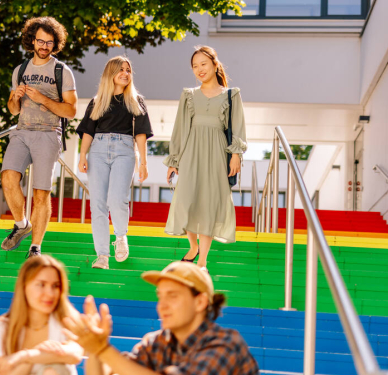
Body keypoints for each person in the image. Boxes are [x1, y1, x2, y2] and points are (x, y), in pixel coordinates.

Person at [63, 261, 259, 375]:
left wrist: (102, 349)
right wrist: (96, 348)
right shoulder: (156, 342)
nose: (161, 305)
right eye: (160, 296)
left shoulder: (227, 344)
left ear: (200, 303)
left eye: (172, 295)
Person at [163, 45, 247, 274]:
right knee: (187, 198)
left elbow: (237, 126)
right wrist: (174, 159)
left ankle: (202, 260)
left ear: (214, 64)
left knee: (210, 203)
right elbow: (180, 128)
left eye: (203, 64)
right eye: (195, 66)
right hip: (191, 150)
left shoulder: (232, 94)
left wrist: (236, 155)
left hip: (218, 152)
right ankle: (192, 248)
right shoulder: (188, 95)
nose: (199, 69)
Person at [1, 16, 78, 259]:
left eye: (49, 42)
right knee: (8, 178)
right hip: (22, 131)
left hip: (47, 133)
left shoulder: (61, 71)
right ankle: (21, 224)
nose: (44, 46)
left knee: (41, 193)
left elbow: (71, 110)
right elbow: (13, 109)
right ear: (32, 40)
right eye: (40, 41)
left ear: (55, 44)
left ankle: (35, 248)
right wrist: (16, 97)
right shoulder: (20, 70)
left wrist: (43, 99)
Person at [76, 56, 153, 269]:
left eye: (128, 70)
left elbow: (141, 134)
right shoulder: (97, 101)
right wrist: (82, 156)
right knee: (97, 204)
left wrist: (144, 163)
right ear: (110, 73)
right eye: (120, 69)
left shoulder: (136, 100)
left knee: (118, 199)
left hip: (124, 150)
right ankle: (102, 255)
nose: (125, 73)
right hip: (98, 151)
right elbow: (88, 133)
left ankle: (120, 237)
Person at [0, 255, 83, 375]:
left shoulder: (66, 319)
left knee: (53, 371)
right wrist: (33, 357)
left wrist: (23, 356)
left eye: (55, 286)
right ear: (24, 286)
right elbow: (3, 371)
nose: (50, 294)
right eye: (41, 284)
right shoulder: (3, 326)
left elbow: (74, 354)